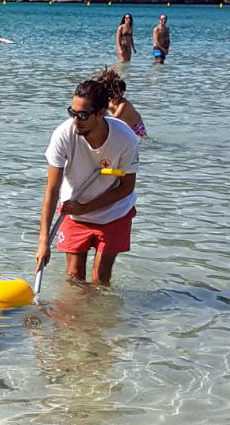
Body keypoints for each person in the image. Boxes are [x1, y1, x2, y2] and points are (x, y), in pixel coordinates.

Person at [35, 78, 140, 285]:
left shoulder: (125, 138)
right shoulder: (63, 135)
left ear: (101, 113)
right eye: (72, 113)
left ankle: (101, 317)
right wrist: (43, 241)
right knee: (74, 278)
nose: (76, 121)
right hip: (73, 211)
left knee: (100, 279)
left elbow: (127, 187)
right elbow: (52, 190)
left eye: (83, 115)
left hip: (114, 212)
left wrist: (87, 207)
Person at [96, 68, 147, 139]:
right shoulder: (110, 102)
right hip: (126, 125)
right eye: (114, 91)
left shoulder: (123, 104)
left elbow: (115, 118)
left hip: (136, 126)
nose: (115, 94)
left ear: (122, 92)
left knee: (141, 143)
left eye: (118, 92)